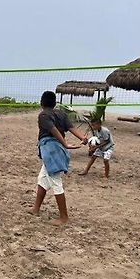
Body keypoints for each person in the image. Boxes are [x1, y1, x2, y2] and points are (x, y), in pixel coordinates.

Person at [29, 91, 87, 226]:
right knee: (42, 178)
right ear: (55, 103)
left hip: (51, 149)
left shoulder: (43, 115)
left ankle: (64, 217)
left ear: (41, 103)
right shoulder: (61, 113)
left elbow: (54, 130)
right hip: (55, 149)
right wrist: (83, 138)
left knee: (55, 181)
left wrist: (65, 143)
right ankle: (35, 209)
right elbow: (72, 128)